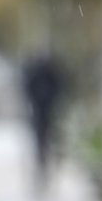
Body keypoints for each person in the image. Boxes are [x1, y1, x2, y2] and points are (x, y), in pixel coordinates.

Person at [22, 52, 64, 191]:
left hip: (47, 111)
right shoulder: (41, 75)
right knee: (41, 137)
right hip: (41, 111)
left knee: (44, 137)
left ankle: (44, 157)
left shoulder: (50, 75)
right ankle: (42, 158)